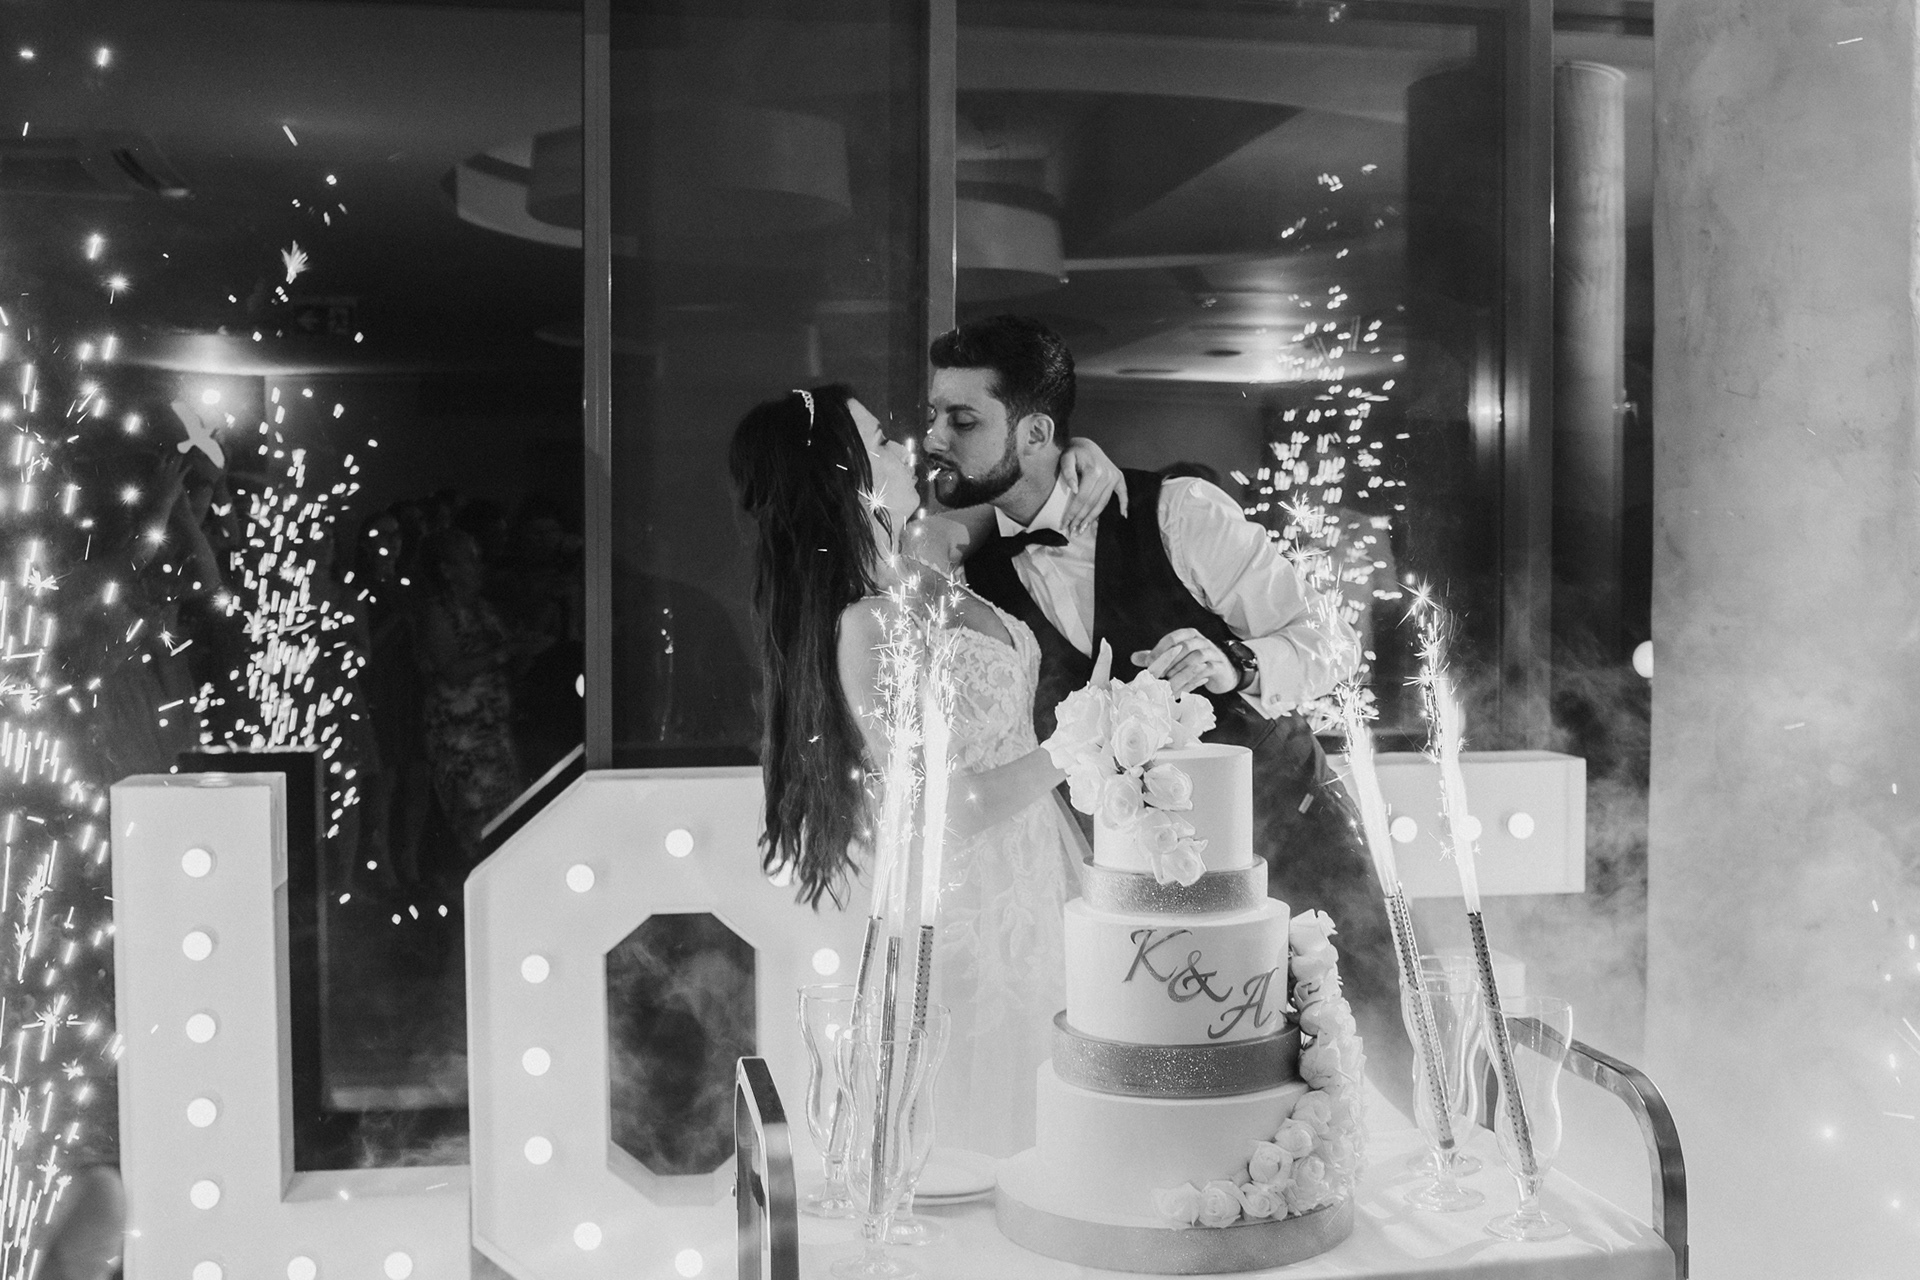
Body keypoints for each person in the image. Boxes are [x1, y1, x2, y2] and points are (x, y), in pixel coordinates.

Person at [924, 315, 1406, 1093]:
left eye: (962, 419)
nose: (935, 438)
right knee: (1214, 1107)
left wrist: (1236, 662)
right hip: (1144, 896)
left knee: (1394, 1058)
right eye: (934, 415)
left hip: (1299, 837)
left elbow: (1331, 640)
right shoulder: (966, 577)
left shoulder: (1178, 512)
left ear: (1037, 431)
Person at [728, 384, 1121, 1156]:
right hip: (966, 912)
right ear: (843, 473)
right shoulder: (866, 625)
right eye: (879, 441)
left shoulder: (921, 566)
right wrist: (1078, 743)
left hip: (1040, 874)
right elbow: (941, 810)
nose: (905, 447)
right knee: (991, 1131)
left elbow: (1009, 508)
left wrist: (1079, 458)